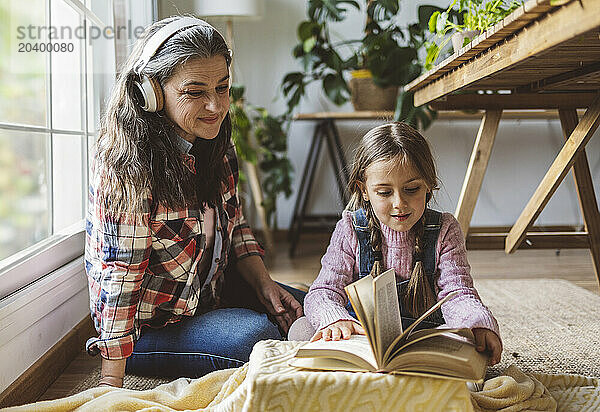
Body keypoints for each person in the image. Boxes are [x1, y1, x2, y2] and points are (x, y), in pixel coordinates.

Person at [85, 16, 304, 388]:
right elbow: (120, 272)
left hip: (210, 292)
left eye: (222, 87)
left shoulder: (216, 141)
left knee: (318, 306)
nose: (216, 106)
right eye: (195, 91)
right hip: (149, 328)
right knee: (253, 336)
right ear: (151, 92)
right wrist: (110, 382)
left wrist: (265, 285)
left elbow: (235, 226)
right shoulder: (123, 163)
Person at [288, 122, 502, 366]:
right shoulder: (349, 228)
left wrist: (478, 324)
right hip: (363, 337)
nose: (399, 203)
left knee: (474, 344)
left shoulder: (445, 229)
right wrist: (334, 320)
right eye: (384, 192)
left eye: (411, 189)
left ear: (428, 186)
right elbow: (323, 291)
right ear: (364, 190)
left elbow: (458, 293)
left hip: (423, 336)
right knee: (301, 330)